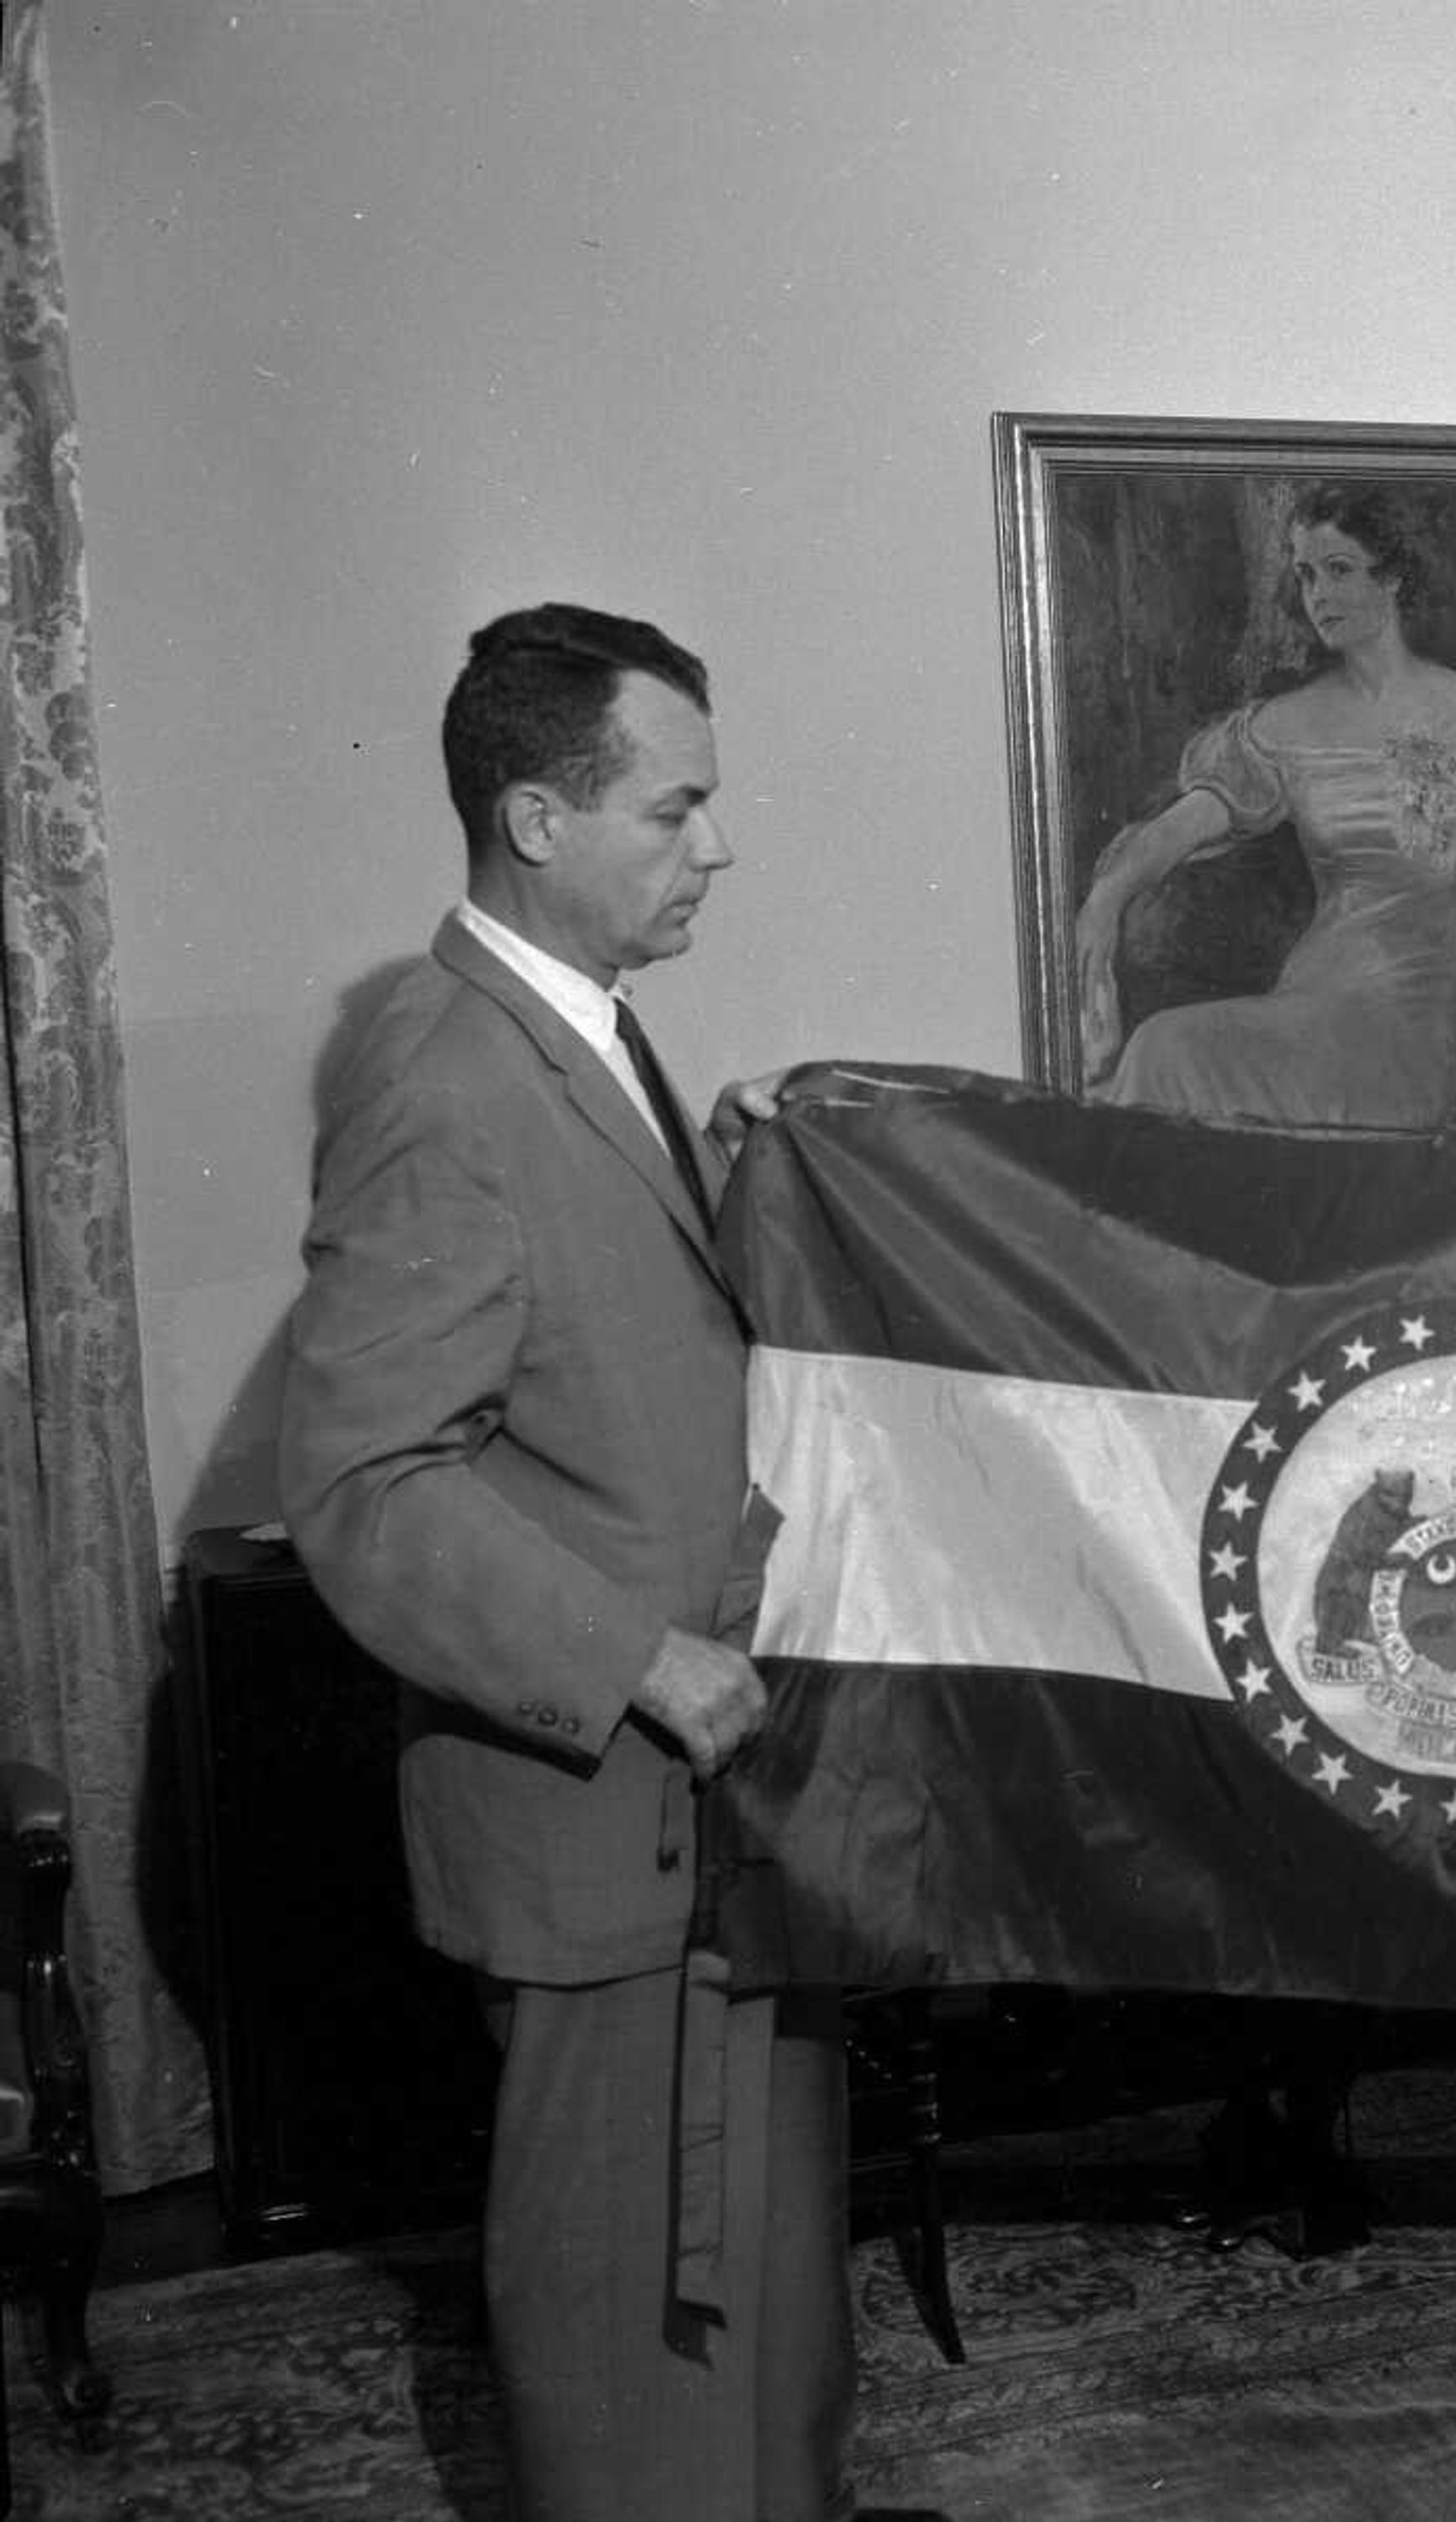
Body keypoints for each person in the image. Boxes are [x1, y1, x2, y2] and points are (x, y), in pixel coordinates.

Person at [279, 605, 873, 2521]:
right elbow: (367, 1482)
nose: (716, 850)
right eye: (677, 808)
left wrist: (733, 1178)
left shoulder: (576, 1036)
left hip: (701, 1832)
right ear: (538, 816)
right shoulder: (444, 1075)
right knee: (635, 2370)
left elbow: (585, 1330)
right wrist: (636, 1655)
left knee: (751, 2350)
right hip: (606, 1810)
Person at [1070, 481, 1456, 1130]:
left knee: (1166, 1047)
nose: (1319, 595)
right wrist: (1106, 899)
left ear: (1393, 577)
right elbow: (1178, 829)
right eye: (1307, 574)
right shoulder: (1288, 725)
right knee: (1165, 1048)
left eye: (1339, 571)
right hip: (1311, 997)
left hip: (1413, 1022)